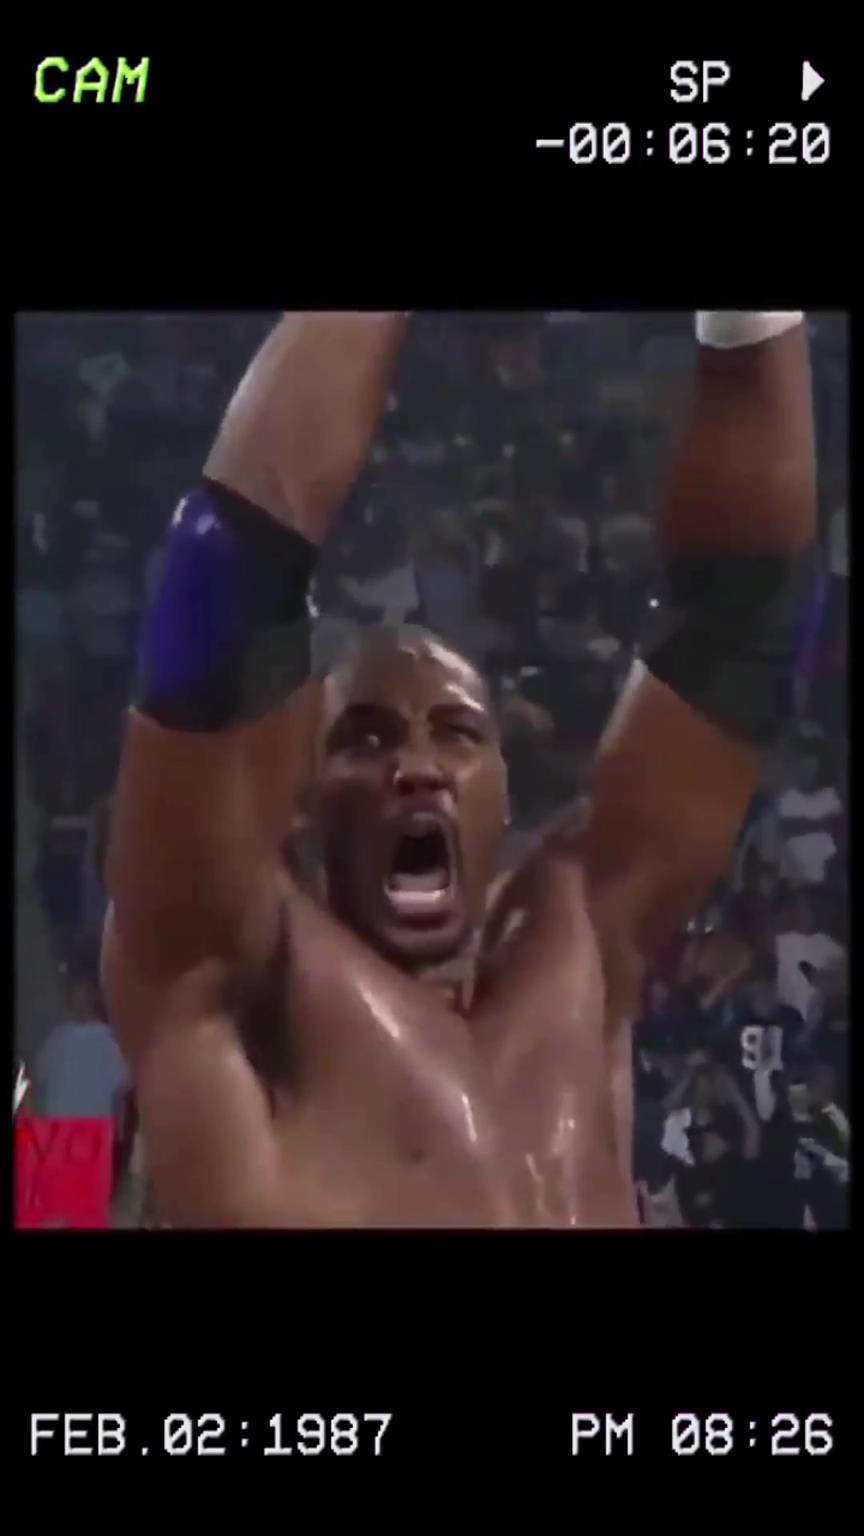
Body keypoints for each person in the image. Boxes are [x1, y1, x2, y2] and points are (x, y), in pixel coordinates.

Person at [103, 310, 818, 1228]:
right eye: (365, 739)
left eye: (457, 734)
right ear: (301, 799)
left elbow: (746, 617)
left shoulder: (578, 946)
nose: (418, 767)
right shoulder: (231, 977)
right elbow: (222, 573)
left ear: (504, 798)